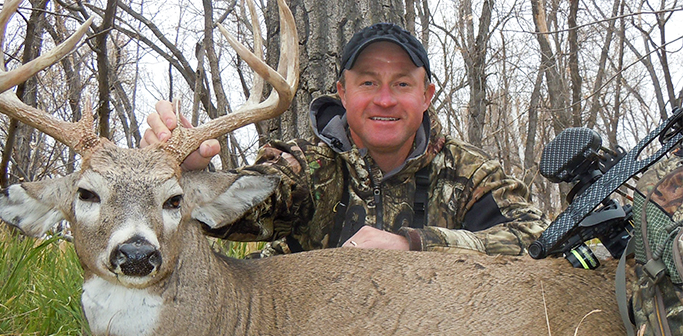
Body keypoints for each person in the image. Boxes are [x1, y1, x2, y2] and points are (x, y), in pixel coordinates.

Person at [142, 23, 548, 255]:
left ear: (427, 96)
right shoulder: (306, 168)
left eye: (402, 84)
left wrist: (414, 244)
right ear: (343, 92)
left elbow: (535, 238)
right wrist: (190, 177)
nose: (385, 100)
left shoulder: (470, 173)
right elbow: (231, 208)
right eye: (369, 82)